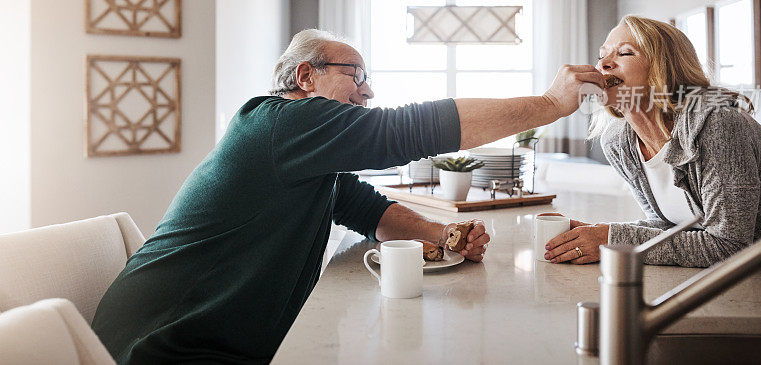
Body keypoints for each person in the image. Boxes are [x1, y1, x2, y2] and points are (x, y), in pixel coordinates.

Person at [92, 29, 604, 363]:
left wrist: (443, 234)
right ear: (305, 76)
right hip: (164, 345)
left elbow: (364, 207)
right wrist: (548, 104)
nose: (368, 92)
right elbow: (405, 131)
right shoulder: (282, 121)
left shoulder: (299, 149)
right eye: (356, 76)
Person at [544, 16, 761, 268]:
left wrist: (610, 239)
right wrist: (602, 232)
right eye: (602, 55)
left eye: (624, 53)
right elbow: (667, 225)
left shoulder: (718, 125)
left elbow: (729, 246)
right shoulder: (618, 142)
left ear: (664, 70)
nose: (604, 65)